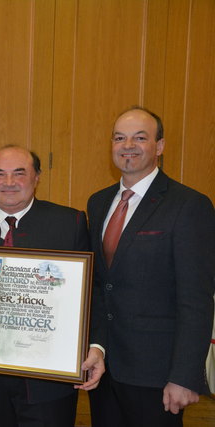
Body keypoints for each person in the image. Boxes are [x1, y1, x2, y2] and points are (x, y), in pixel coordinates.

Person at [0, 145, 104, 427]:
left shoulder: (69, 223)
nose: (8, 183)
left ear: (37, 176)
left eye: (19, 173)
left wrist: (96, 345)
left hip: (48, 380)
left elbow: (91, 293)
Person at [87, 107, 215, 427]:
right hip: (104, 369)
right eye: (120, 137)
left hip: (158, 375)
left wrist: (185, 376)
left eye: (140, 137)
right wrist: (96, 346)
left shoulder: (188, 205)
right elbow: (101, 285)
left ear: (159, 146)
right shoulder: (98, 202)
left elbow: (196, 298)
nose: (128, 145)